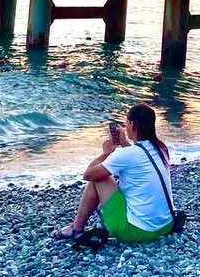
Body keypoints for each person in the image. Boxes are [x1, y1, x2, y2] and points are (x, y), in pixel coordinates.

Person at [59, 103, 174, 243]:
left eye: (126, 122)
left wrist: (106, 153)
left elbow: (88, 174)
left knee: (99, 178)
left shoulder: (127, 154)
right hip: (165, 225)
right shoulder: (161, 148)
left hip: (138, 231)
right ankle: (81, 226)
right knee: (109, 175)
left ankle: (76, 228)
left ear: (132, 124)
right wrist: (124, 142)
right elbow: (139, 158)